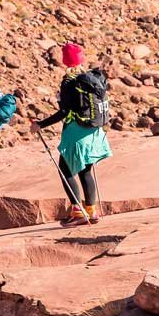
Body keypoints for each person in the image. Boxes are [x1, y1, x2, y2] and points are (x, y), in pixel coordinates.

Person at [35, 42, 111, 225]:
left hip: (75, 132)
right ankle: (91, 210)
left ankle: (77, 211)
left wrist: (41, 124)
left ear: (65, 60)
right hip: (93, 130)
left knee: (65, 169)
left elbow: (64, 112)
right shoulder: (92, 78)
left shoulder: (70, 81)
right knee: (85, 170)